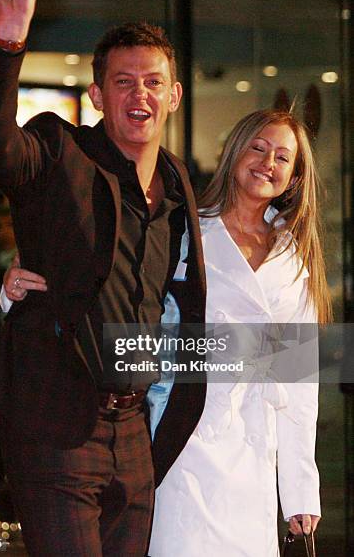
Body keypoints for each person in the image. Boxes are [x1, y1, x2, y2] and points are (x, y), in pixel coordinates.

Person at [0, 0, 206, 557]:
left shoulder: (178, 186)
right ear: (97, 94)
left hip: (136, 432)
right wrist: (8, 40)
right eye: (123, 81)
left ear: (174, 94)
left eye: (152, 81)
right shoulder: (58, 150)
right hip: (56, 427)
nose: (138, 93)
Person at [147, 109, 332, 556]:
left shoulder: (295, 257)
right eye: (259, 147)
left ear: (293, 177)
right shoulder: (185, 233)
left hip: (252, 456)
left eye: (283, 157)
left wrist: (301, 490)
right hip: (184, 439)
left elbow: (298, 384)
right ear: (234, 152)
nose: (269, 162)